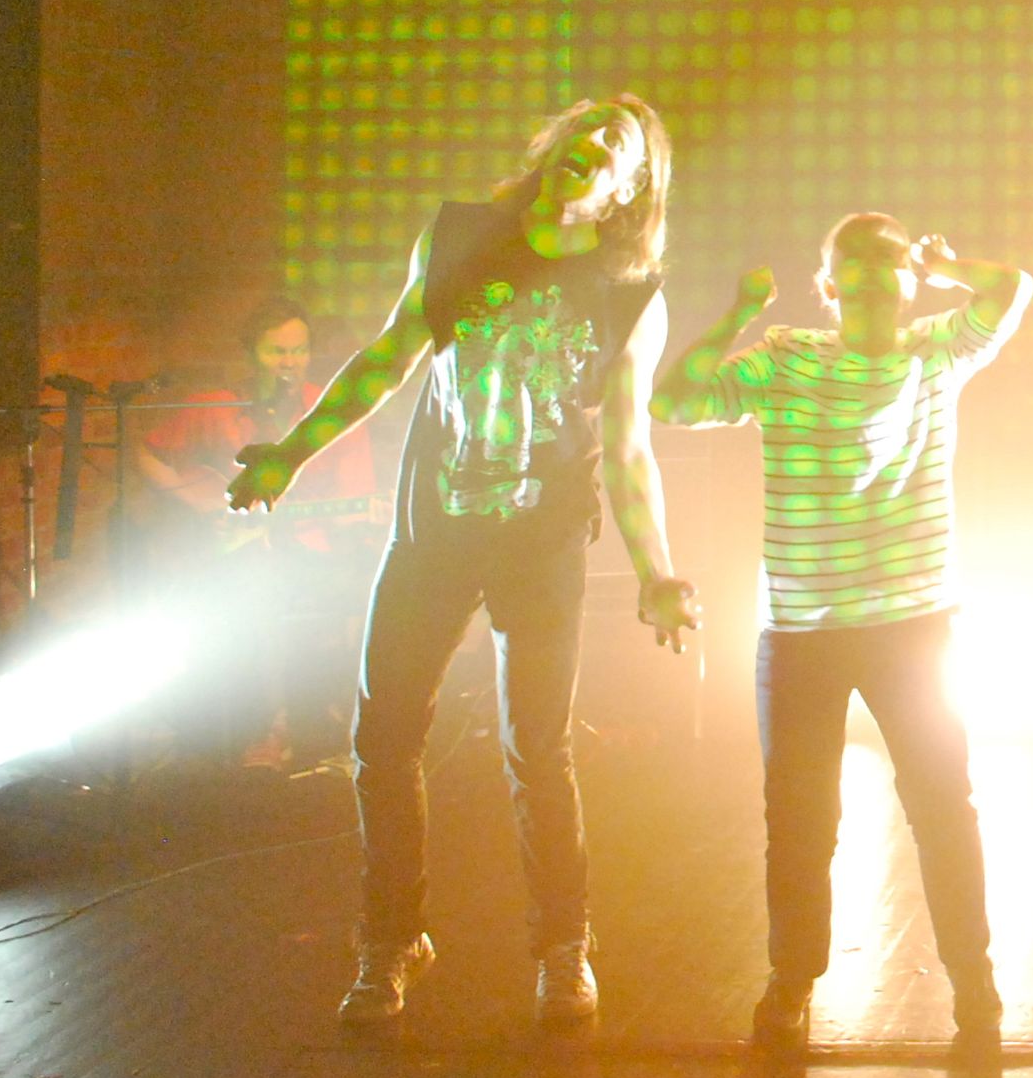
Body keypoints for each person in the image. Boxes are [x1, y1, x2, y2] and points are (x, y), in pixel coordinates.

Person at [229, 96, 701, 1028]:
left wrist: (658, 572)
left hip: (541, 542)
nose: (590, 142)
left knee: (538, 749)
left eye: (615, 141)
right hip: (433, 531)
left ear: (630, 186)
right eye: (584, 127)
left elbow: (628, 445)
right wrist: (290, 452)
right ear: (552, 144)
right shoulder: (459, 237)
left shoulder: (629, 292)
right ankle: (391, 940)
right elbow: (386, 359)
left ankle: (563, 946)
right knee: (383, 739)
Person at [651, 215, 1032, 1052]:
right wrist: (735, 315)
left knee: (942, 805)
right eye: (850, 268)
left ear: (908, 280)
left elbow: (1012, 288)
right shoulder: (787, 357)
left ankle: (973, 978)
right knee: (799, 820)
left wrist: (948, 265)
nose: (867, 278)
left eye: (885, 263)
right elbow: (673, 401)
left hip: (913, 625)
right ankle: (792, 980)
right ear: (827, 287)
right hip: (802, 632)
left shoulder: (936, 351)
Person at [134, 296, 379, 767]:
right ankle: (246, 734)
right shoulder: (217, 406)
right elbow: (148, 452)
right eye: (276, 351)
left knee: (327, 616)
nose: (290, 362)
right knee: (240, 621)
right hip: (231, 556)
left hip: (311, 549)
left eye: (299, 350)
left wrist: (360, 521)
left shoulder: (330, 410)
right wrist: (199, 503)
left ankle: (308, 730)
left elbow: (357, 493)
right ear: (250, 354)